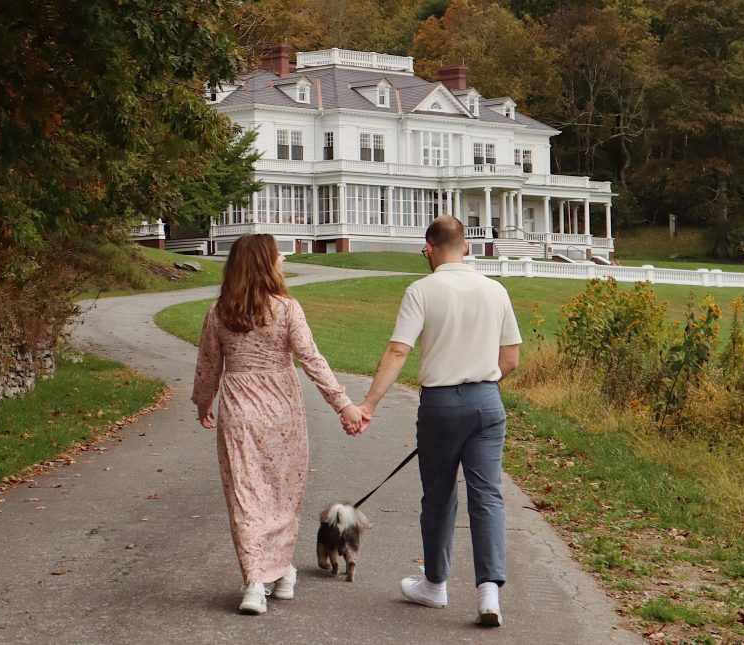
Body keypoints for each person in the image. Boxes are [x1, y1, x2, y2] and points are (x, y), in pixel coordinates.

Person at [356, 216, 521, 626]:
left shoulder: (421, 291)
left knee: (439, 496)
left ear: (428, 247)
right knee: (487, 497)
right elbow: (511, 359)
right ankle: (488, 594)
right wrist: (482, 383)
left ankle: (435, 585)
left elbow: (398, 352)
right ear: (466, 247)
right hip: (487, 403)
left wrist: (369, 405)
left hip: (440, 406)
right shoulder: (495, 290)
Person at [191, 234, 365, 615]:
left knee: (246, 499)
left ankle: (267, 577)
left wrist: (203, 404)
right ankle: (268, 576)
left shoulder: (219, 311)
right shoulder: (287, 309)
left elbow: (207, 368)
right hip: (283, 412)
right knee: (283, 498)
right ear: (265, 264)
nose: (283, 259)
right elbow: (312, 359)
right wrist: (344, 405)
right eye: (278, 254)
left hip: (239, 413)